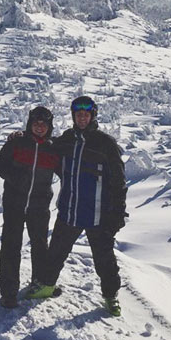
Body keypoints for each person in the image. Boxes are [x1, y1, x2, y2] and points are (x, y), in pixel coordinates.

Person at [26, 96, 128, 316]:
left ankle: (111, 296)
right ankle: (46, 285)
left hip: (97, 215)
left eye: (86, 114)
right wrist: (22, 137)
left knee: (104, 259)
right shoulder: (67, 140)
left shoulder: (105, 144)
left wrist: (117, 213)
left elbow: (119, 182)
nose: (82, 117)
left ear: (92, 116)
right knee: (56, 253)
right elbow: (44, 146)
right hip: (70, 211)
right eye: (78, 114)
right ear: (73, 116)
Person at [0, 106, 60, 308]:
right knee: (11, 245)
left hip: (39, 204)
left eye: (44, 124)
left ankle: (39, 284)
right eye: (36, 123)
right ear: (30, 124)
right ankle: (9, 293)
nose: (39, 127)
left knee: (40, 245)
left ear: (49, 127)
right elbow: (0, 166)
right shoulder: (18, 143)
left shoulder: (53, 147)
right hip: (15, 202)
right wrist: (16, 179)